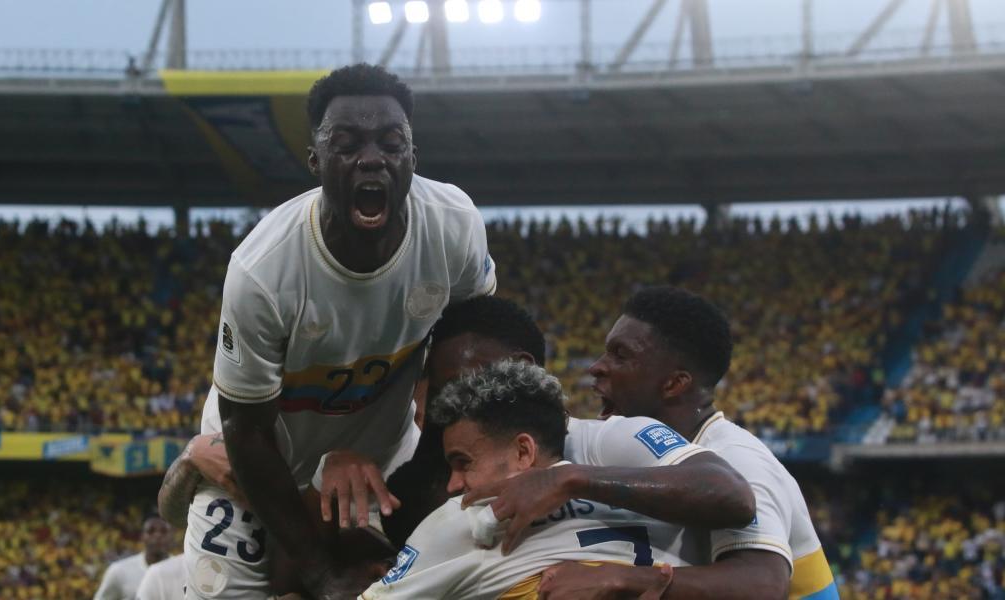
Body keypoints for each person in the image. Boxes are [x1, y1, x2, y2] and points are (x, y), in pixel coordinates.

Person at [183, 63, 498, 600]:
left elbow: (468, 358)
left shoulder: (452, 225)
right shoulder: (263, 270)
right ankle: (197, 465)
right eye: (347, 143)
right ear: (316, 160)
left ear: (412, 158)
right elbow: (249, 432)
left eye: (391, 142)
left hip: (381, 464)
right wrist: (322, 574)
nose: (371, 158)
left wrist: (424, 483)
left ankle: (189, 460)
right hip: (258, 468)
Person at [494, 286, 836, 599]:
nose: (597, 367)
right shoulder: (650, 454)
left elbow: (763, 585)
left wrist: (619, 578)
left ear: (674, 384)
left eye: (620, 355)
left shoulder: (735, 459)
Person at [360, 360, 693, 599]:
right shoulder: (650, 506)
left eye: (463, 462)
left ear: (523, 452)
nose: (454, 485)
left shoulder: (469, 519)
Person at [94, 516, 174, 600]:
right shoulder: (119, 571)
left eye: (164, 531)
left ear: (172, 536)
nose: (158, 535)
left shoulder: (185, 569)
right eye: (151, 531)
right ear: (142, 536)